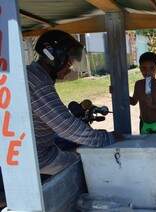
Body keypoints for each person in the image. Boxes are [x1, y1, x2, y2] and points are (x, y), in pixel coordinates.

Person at [27, 30, 117, 175]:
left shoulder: (33, 75)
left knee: (72, 144)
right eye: (69, 61)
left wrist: (91, 134)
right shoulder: (39, 84)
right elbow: (66, 126)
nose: (70, 67)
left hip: (36, 147)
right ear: (54, 57)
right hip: (37, 158)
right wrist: (107, 138)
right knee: (85, 166)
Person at [129, 52, 156, 134]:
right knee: (145, 146)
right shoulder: (138, 84)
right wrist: (118, 93)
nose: (147, 72)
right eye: (143, 68)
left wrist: (152, 105)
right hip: (144, 123)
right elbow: (133, 102)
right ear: (140, 69)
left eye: (152, 68)